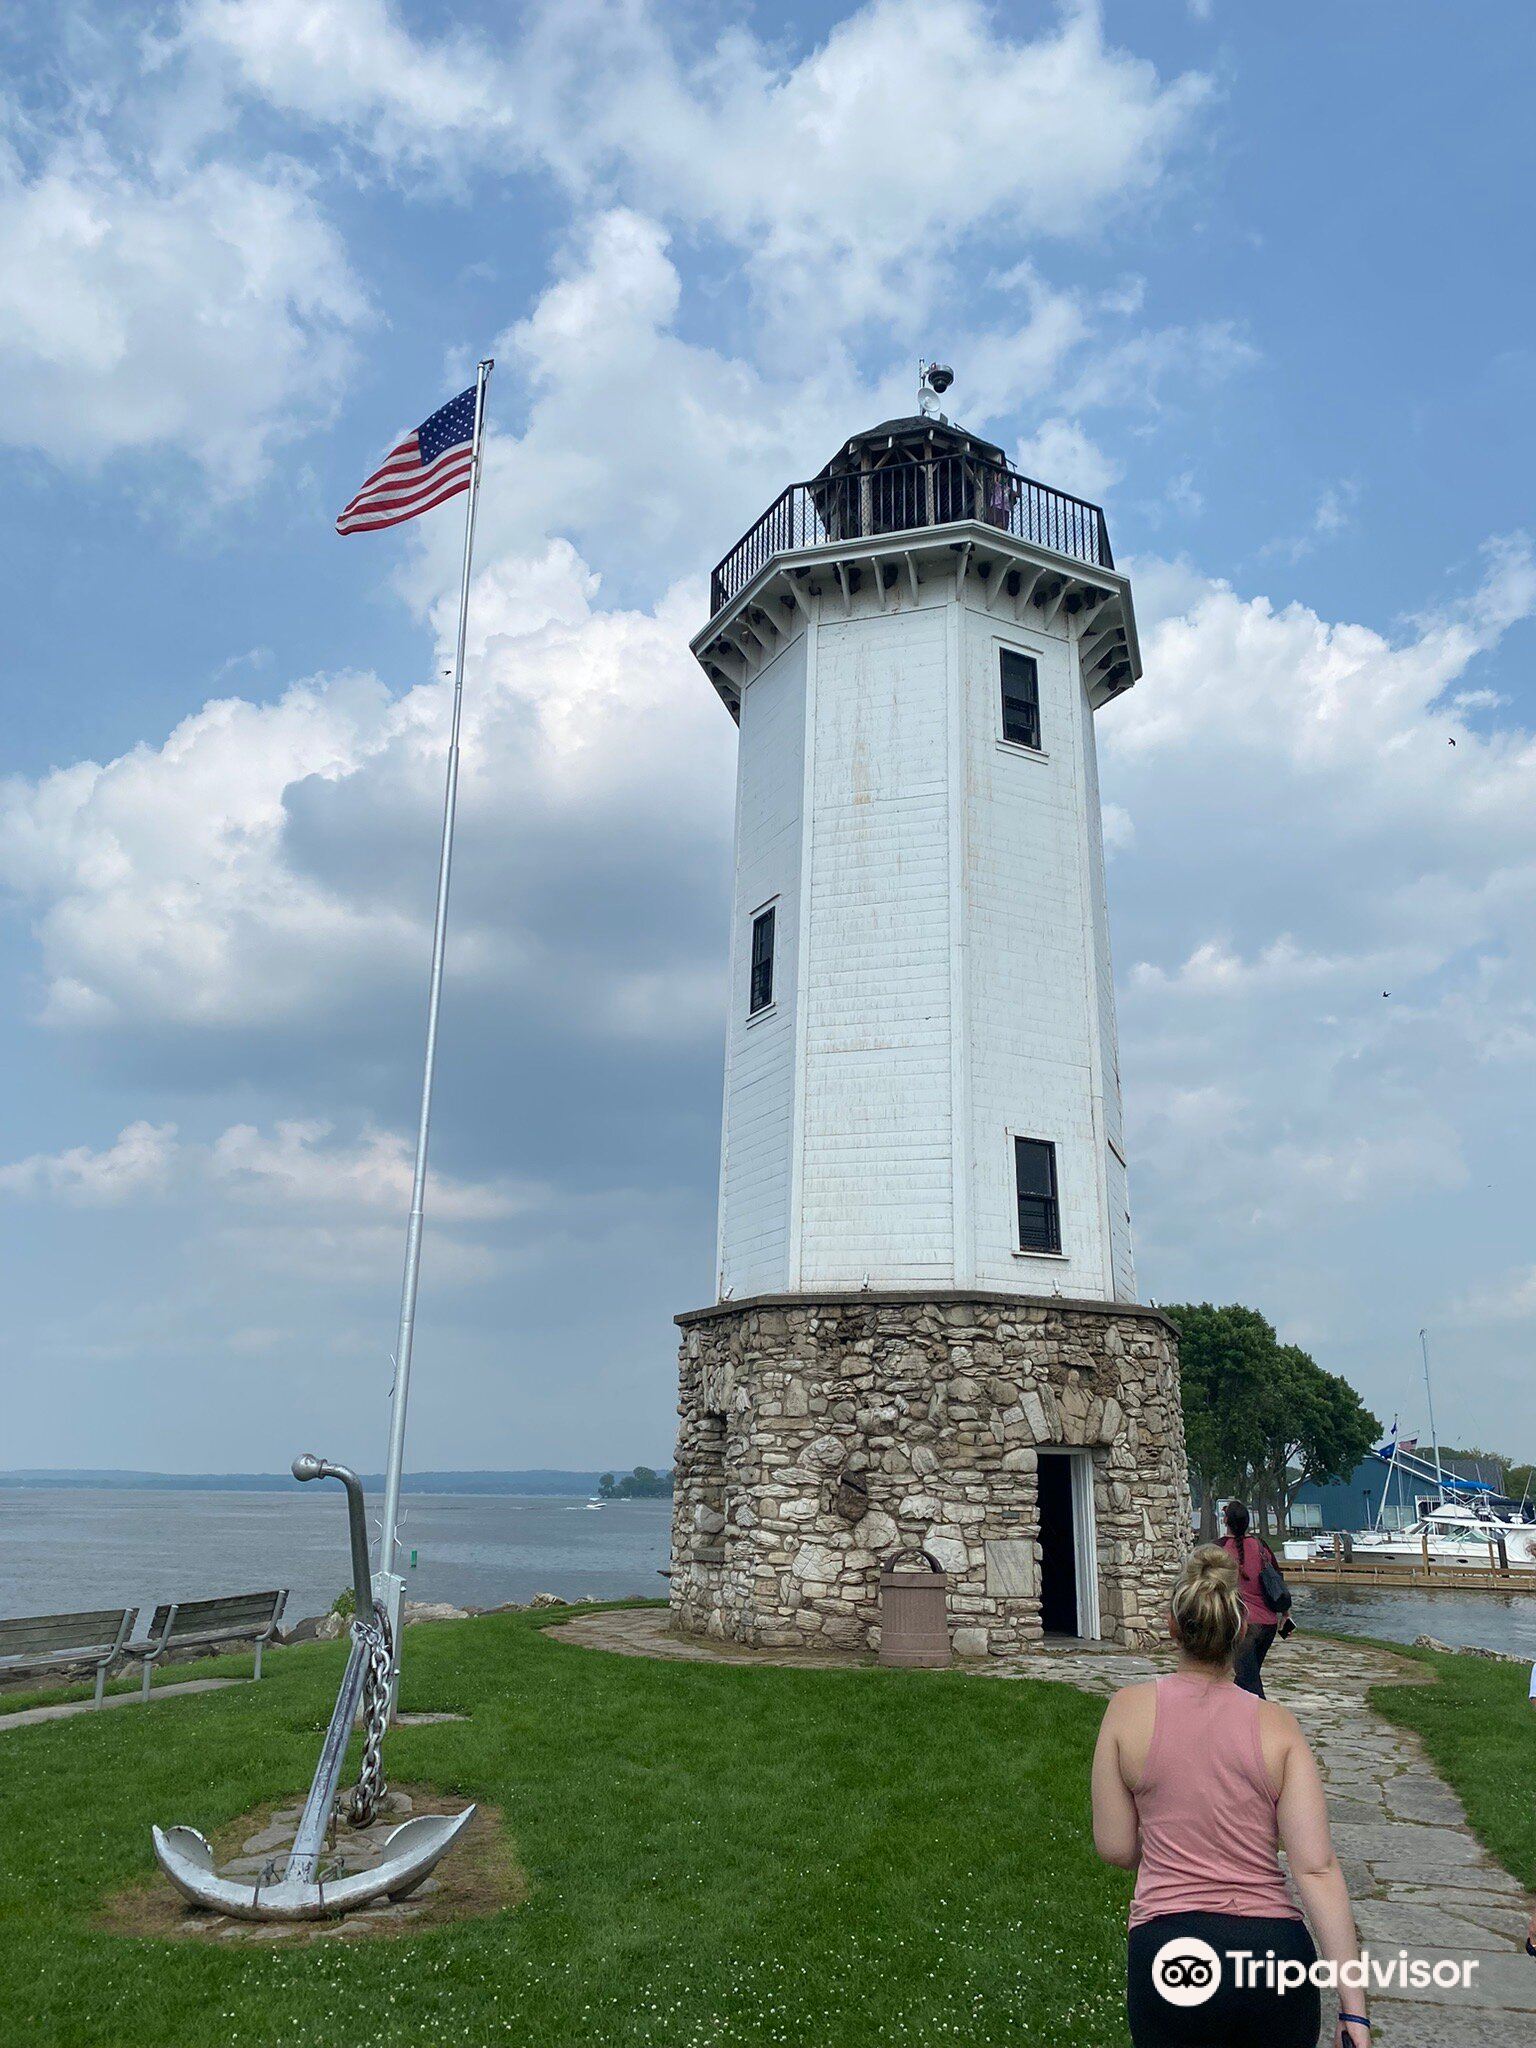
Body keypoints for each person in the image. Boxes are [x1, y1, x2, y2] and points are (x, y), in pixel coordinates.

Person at [1092, 1546, 1369, 2048]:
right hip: (1272, 1956)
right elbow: (1316, 1869)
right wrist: (1355, 2012)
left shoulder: (1126, 1712)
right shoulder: (1278, 1727)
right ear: (1241, 1631)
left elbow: (1116, 1847)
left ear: (1174, 1626)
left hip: (1171, 1950)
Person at [1222, 1499, 1282, 1697]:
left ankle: (1265, 1720)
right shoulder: (1261, 1547)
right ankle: (1236, 1719)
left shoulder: (1219, 1550)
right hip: (1268, 1624)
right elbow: (1277, 1579)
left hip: (1242, 1625)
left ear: (1225, 1521)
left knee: (1250, 1682)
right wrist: (1285, 1613)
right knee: (1247, 1676)